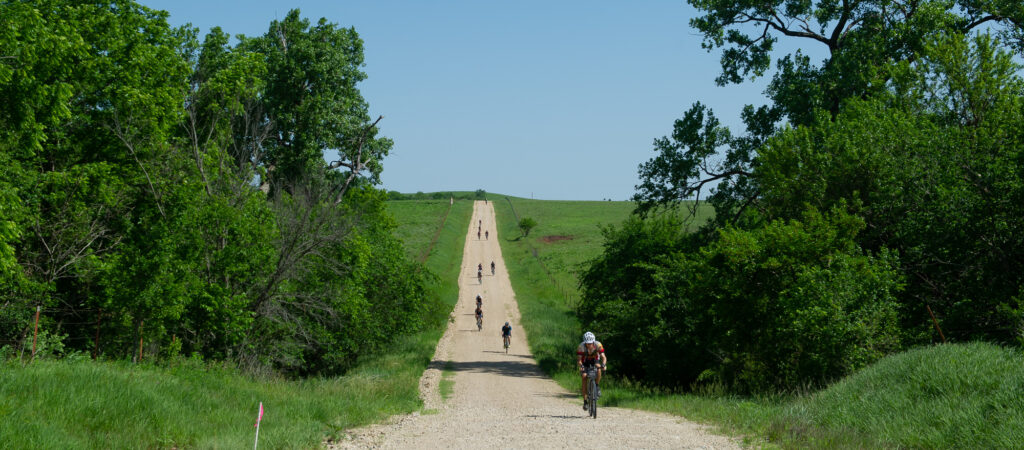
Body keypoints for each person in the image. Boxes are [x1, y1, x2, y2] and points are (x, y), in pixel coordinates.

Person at [577, 331, 607, 411]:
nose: (589, 345)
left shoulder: (598, 345)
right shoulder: (581, 346)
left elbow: (603, 357)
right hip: (585, 362)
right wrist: (581, 366)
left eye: (590, 343)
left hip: (595, 360)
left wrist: (603, 365)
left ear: (593, 341)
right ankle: (585, 401)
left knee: (599, 368)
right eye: (587, 343)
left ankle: (596, 386)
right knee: (584, 376)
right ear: (584, 342)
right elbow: (579, 360)